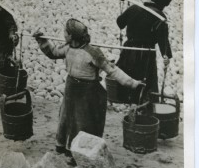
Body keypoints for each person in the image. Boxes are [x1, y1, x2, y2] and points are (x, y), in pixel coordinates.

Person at [34, 19, 144, 159]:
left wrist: (133, 83)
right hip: (71, 89)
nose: (63, 34)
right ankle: (64, 147)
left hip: (87, 93)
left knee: (82, 123)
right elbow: (53, 53)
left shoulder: (93, 53)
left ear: (72, 36)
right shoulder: (67, 48)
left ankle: (78, 154)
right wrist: (42, 40)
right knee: (66, 118)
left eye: (65, 32)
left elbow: (112, 70)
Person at [116, 0, 173, 98]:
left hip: (128, 50)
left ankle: (127, 101)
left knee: (127, 75)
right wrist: (166, 55)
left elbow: (120, 23)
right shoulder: (160, 16)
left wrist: (128, 13)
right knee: (146, 81)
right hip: (146, 53)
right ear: (162, 4)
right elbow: (163, 40)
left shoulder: (134, 8)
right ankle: (145, 103)